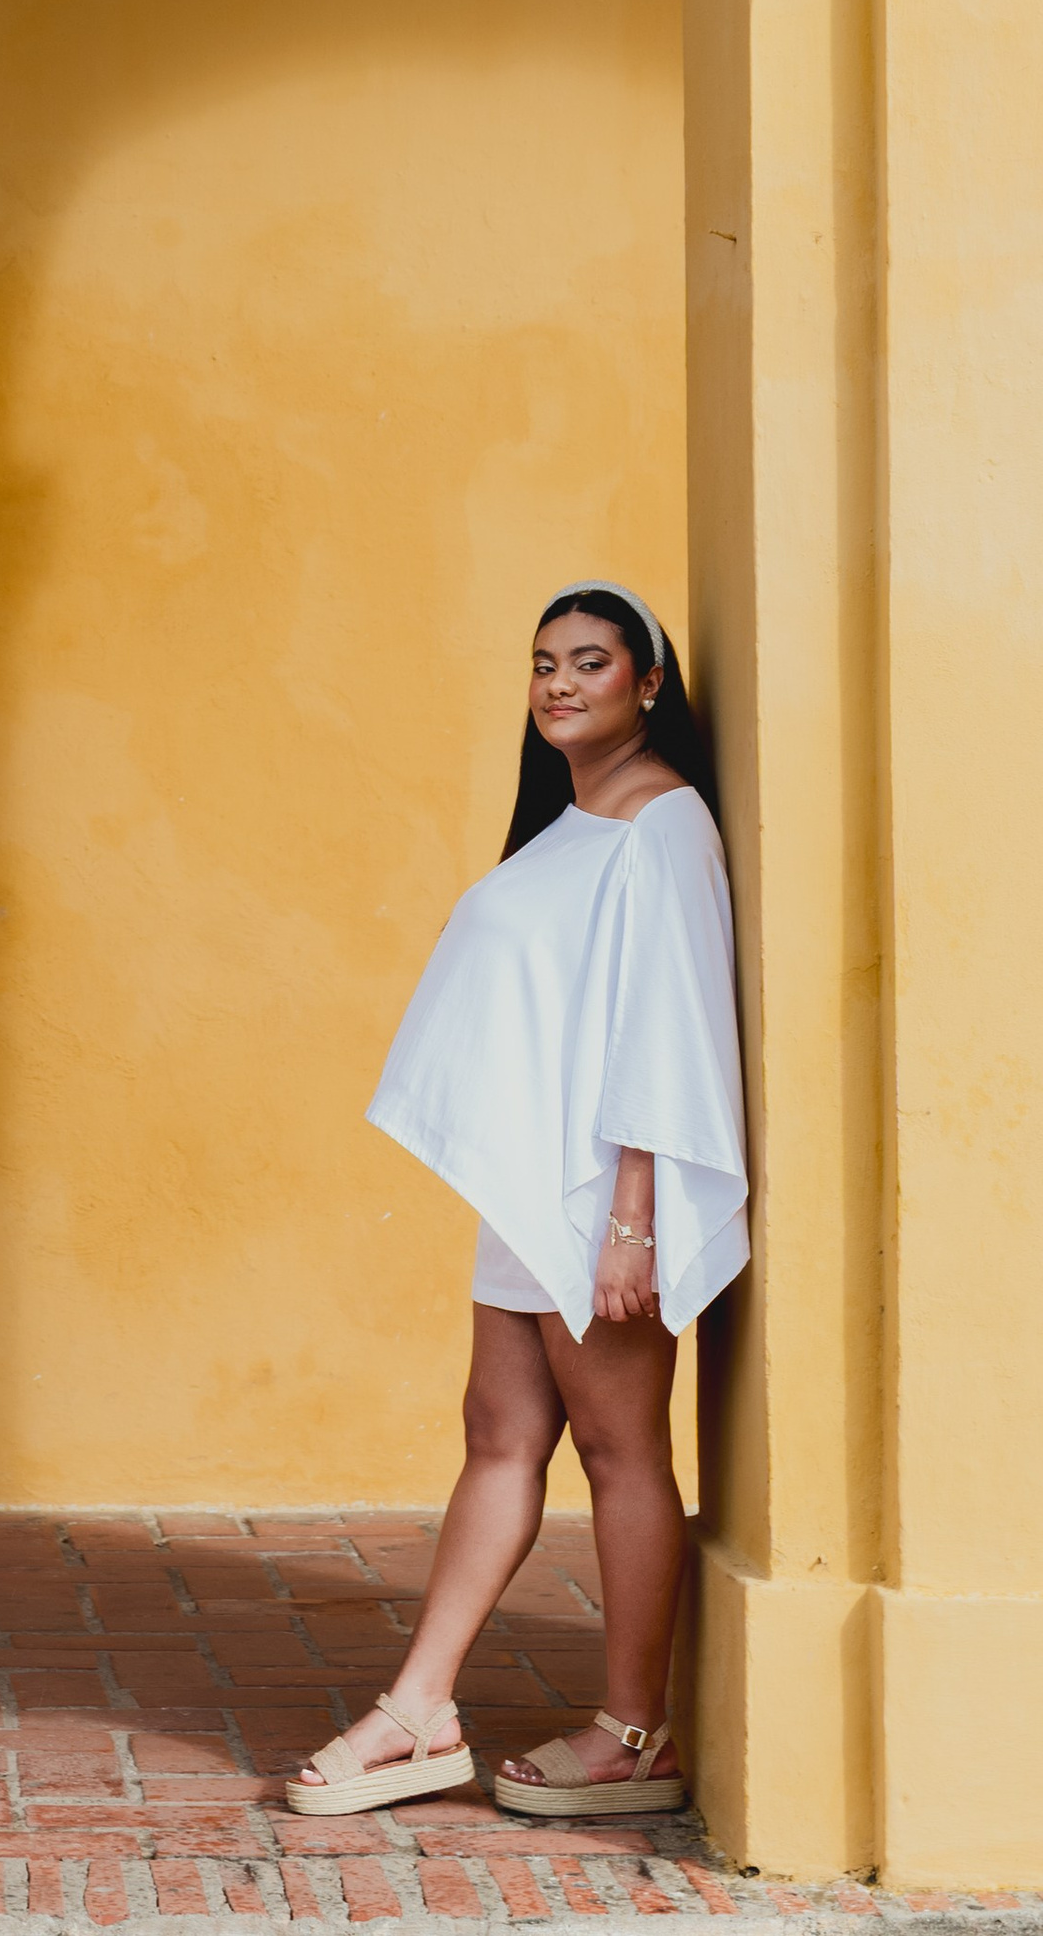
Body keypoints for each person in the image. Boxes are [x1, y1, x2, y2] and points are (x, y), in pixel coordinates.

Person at [288, 581, 746, 1824]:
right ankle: (419, 1709)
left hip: (604, 1192)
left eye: (588, 662)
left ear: (647, 683)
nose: (557, 684)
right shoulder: (567, 824)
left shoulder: (663, 825)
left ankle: (634, 1733)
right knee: (497, 1432)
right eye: (543, 663)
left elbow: (667, 1021)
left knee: (617, 1449)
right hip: (533, 1184)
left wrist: (633, 1220)